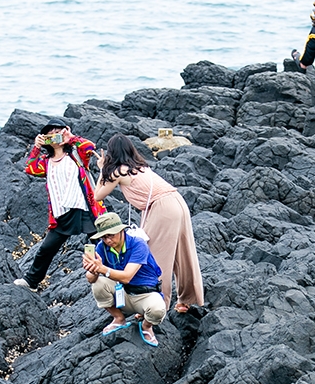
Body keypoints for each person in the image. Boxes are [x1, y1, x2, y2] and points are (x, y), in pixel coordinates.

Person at [93, 135, 204, 313]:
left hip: (162, 208)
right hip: (177, 201)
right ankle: (186, 299)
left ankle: (158, 305)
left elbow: (97, 195)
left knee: (153, 256)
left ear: (112, 153)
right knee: (183, 253)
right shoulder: (140, 167)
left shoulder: (119, 171)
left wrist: (102, 169)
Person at [14, 117, 106, 290]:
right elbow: (30, 168)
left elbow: (89, 147)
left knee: (100, 245)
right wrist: (36, 147)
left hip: (85, 207)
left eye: (58, 133)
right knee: (46, 249)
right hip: (62, 212)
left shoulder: (76, 155)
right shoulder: (46, 162)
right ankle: (31, 281)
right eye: (50, 135)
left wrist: (70, 137)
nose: (55, 137)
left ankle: (113, 275)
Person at [82, 212, 167, 347]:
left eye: (111, 235)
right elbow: (91, 279)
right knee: (98, 284)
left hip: (146, 294)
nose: (108, 240)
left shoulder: (138, 245)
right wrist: (92, 269)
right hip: (123, 294)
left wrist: (102, 269)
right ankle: (118, 318)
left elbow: (127, 276)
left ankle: (146, 326)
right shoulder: (102, 247)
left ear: (122, 230)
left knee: (158, 309)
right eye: (104, 237)